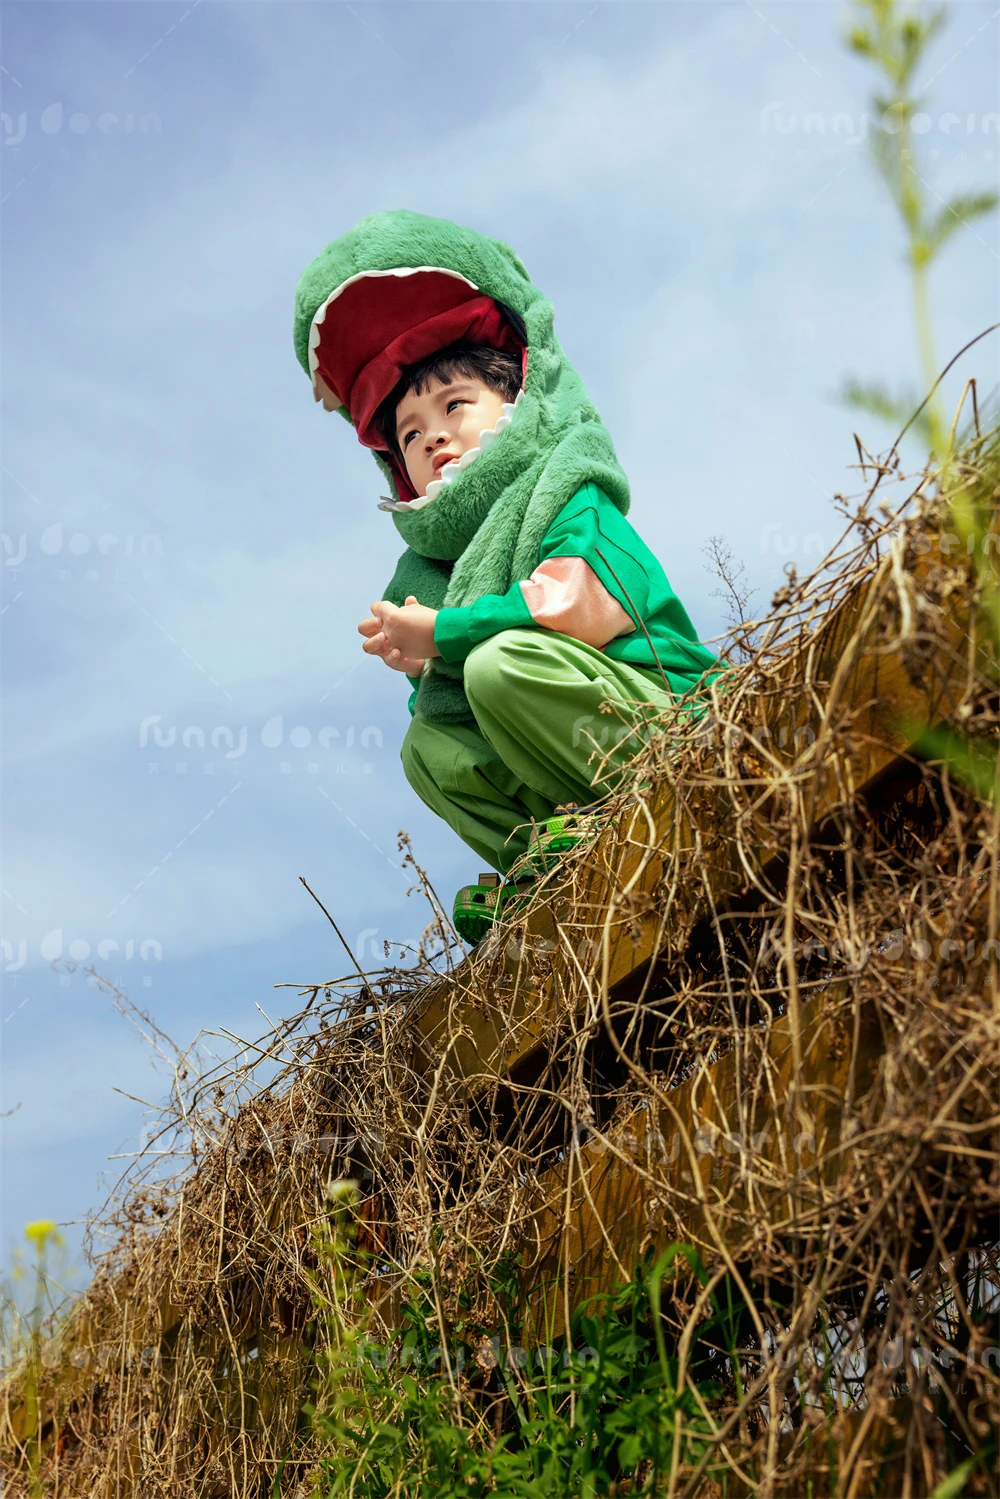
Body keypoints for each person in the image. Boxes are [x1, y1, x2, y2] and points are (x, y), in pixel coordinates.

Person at [293, 210, 721, 876]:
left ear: (516, 393)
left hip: (663, 721)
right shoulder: (432, 570)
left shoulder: (569, 489)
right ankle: (550, 863)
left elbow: (578, 604)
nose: (433, 436)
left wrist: (444, 633)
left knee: (498, 665)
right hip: (564, 766)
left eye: (454, 405)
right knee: (425, 746)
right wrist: (424, 668)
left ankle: (665, 786)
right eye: (409, 434)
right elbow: (457, 711)